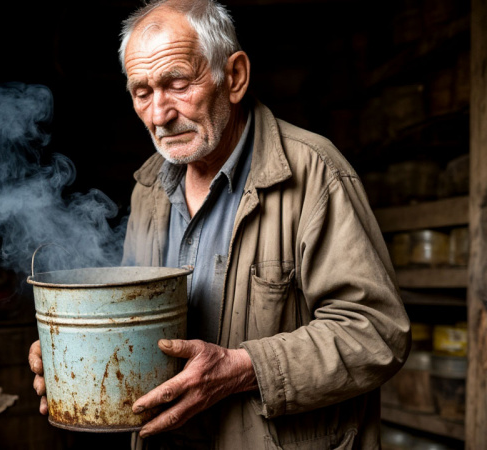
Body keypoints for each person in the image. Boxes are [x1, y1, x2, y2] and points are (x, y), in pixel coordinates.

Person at [29, 0, 410, 448]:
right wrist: (76, 348)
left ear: (234, 77)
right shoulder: (148, 189)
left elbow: (376, 332)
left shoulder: (315, 173)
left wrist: (241, 369)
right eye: (142, 92)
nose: (159, 114)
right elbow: (135, 322)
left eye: (177, 84)